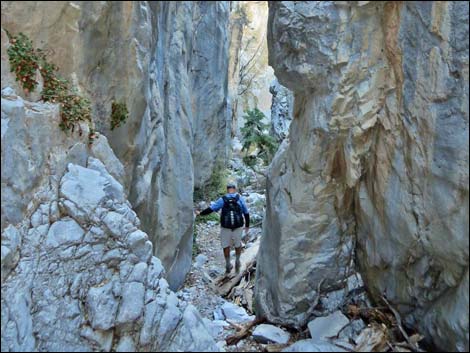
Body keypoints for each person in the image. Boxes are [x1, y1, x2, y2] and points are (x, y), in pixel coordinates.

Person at [195, 183, 249, 274]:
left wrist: (200, 213)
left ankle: (228, 264)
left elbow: (211, 209)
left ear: (227, 189)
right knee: (237, 243)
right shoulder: (240, 198)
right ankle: (237, 261)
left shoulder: (222, 199)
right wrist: (247, 225)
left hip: (226, 226)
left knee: (225, 245)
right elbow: (246, 212)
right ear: (235, 189)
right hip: (238, 226)